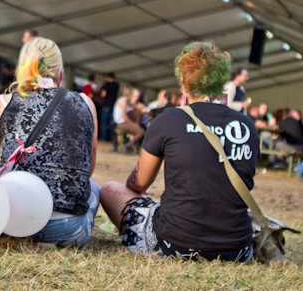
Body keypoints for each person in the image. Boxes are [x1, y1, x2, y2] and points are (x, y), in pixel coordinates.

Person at [100, 41, 258, 262]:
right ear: (222, 80)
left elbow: (139, 183)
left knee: (109, 189)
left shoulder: (170, 119)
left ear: (184, 80)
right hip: (237, 249)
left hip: (174, 243)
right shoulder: (246, 125)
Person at [0, 37, 99, 247]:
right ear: (61, 73)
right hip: (65, 229)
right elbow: (87, 170)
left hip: (8, 222)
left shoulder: (1, 104)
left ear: (21, 69)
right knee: (95, 187)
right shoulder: (86, 103)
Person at [113, 86, 146, 153]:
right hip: (121, 124)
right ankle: (128, 145)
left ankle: (131, 143)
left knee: (138, 112)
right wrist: (134, 124)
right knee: (142, 132)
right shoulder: (123, 101)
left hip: (122, 123)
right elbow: (124, 117)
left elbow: (135, 108)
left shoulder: (123, 100)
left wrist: (138, 107)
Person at [99, 72, 119, 142]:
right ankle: (111, 138)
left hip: (106, 105)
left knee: (104, 123)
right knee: (111, 123)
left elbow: (103, 95)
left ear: (108, 77)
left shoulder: (106, 85)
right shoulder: (116, 85)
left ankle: (104, 138)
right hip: (113, 106)